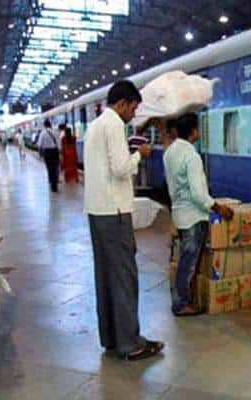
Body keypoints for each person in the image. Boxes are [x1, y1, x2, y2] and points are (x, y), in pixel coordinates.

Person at [83, 80, 163, 361]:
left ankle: (112, 338)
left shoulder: (95, 125)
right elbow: (120, 169)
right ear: (122, 103)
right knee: (125, 277)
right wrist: (139, 156)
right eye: (133, 107)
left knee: (105, 276)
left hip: (96, 211)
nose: (134, 113)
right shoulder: (114, 124)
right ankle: (131, 343)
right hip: (114, 212)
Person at [164, 113, 234, 316]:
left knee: (186, 259)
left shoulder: (170, 152)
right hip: (194, 216)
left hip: (179, 213)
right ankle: (180, 304)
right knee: (188, 262)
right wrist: (218, 207)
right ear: (194, 131)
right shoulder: (191, 157)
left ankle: (183, 299)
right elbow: (197, 193)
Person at [37, 120, 61, 192]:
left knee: (49, 168)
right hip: (55, 151)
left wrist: (40, 154)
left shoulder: (43, 133)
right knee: (56, 167)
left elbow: (39, 144)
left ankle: (52, 183)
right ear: (50, 125)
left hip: (47, 152)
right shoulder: (55, 132)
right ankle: (55, 183)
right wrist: (59, 152)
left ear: (44, 125)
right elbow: (59, 143)